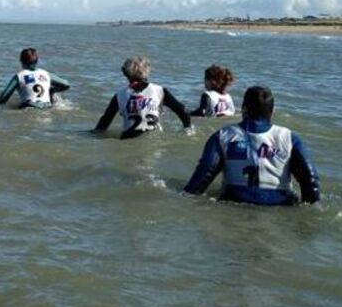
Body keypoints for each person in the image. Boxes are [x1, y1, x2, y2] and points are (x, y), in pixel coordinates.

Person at [182, 85, 320, 206]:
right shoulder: (289, 138)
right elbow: (310, 179)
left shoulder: (222, 136)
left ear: (244, 109)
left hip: (233, 204)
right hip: (280, 205)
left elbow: (201, 179)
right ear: (272, 111)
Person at [93, 55, 191, 137]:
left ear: (125, 73)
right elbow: (183, 111)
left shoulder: (119, 95)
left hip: (128, 140)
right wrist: (188, 130)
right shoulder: (159, 91)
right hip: (154, 142)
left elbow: (104, 123)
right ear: (147, 72)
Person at [0, 48, 71, 109]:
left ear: (21, 61)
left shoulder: (19, 76)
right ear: (37, 61)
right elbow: (66, 84)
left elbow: (5, 95)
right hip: (46, 107)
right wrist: (51, 91)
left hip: (28, 107)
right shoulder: (46, 74)